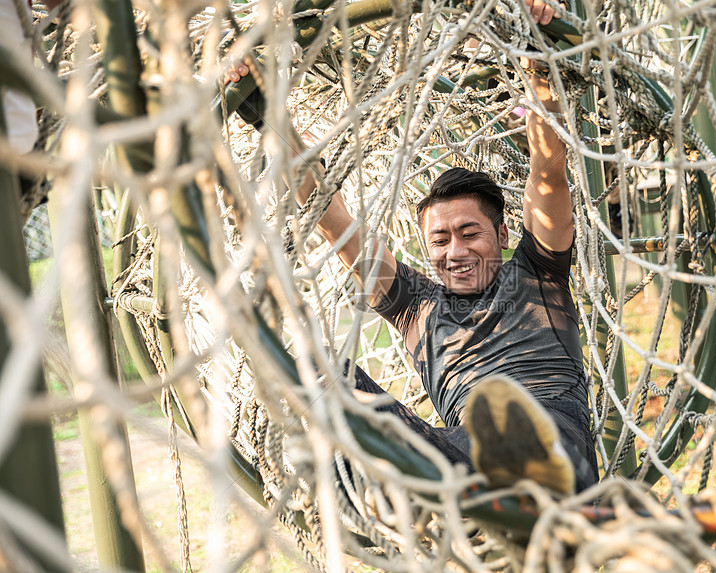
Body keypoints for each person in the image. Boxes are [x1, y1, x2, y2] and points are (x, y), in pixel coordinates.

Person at [228, 0, 598, 494]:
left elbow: (548, 172)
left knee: (510, 423)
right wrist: (269, 113)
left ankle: (496, 492)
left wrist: (535, 58)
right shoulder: (415, 308)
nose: (455, 251)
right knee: (321, 373)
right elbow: (330, 214)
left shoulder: (538, 274)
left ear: (504, 235)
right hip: (457, 459)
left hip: (553, 445)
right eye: (440, 239)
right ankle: (383, 508)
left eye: (470, 233)